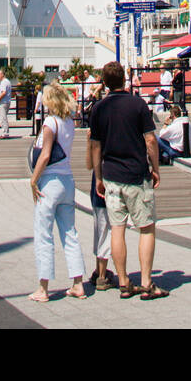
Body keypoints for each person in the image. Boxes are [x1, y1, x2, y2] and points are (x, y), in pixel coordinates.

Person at [89, 61, 168, 300]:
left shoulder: (99, 109)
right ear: (124, 79)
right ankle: (146, 282)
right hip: (136, 174)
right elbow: (151, 140)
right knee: (146, 228)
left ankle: (123, 281)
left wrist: (98, 177)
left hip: (112, 176)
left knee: (117, 229)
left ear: (104, 82)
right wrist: (155, 168)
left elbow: (95, 145)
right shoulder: (137, 104)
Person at [28, 83, 85, 302]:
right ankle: (78, 282)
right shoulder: (69, 122)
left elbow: (45, 155)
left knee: (44, 233)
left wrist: (33, 180)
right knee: (70, 232)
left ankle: (43, 288)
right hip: (67, 180)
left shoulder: (50, 123)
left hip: (50, 181)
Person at [85, 114, 114, 291]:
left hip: (95, 187)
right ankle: (102, 275)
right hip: (107, 185)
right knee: (106, 231)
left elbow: (89, 165)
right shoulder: (111, 140)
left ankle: (98, 270)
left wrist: (88, 143)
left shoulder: (95, 140)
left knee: (99, 229)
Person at [0, 68, 12, 138]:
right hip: (6, 102)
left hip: (3, 102)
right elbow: (2, 91)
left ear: (2, 74)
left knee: (3, 118)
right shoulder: (7, 81)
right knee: (3, 117)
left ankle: (5, 133)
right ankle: (5, 132)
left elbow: (4, 92)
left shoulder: (4, 82)